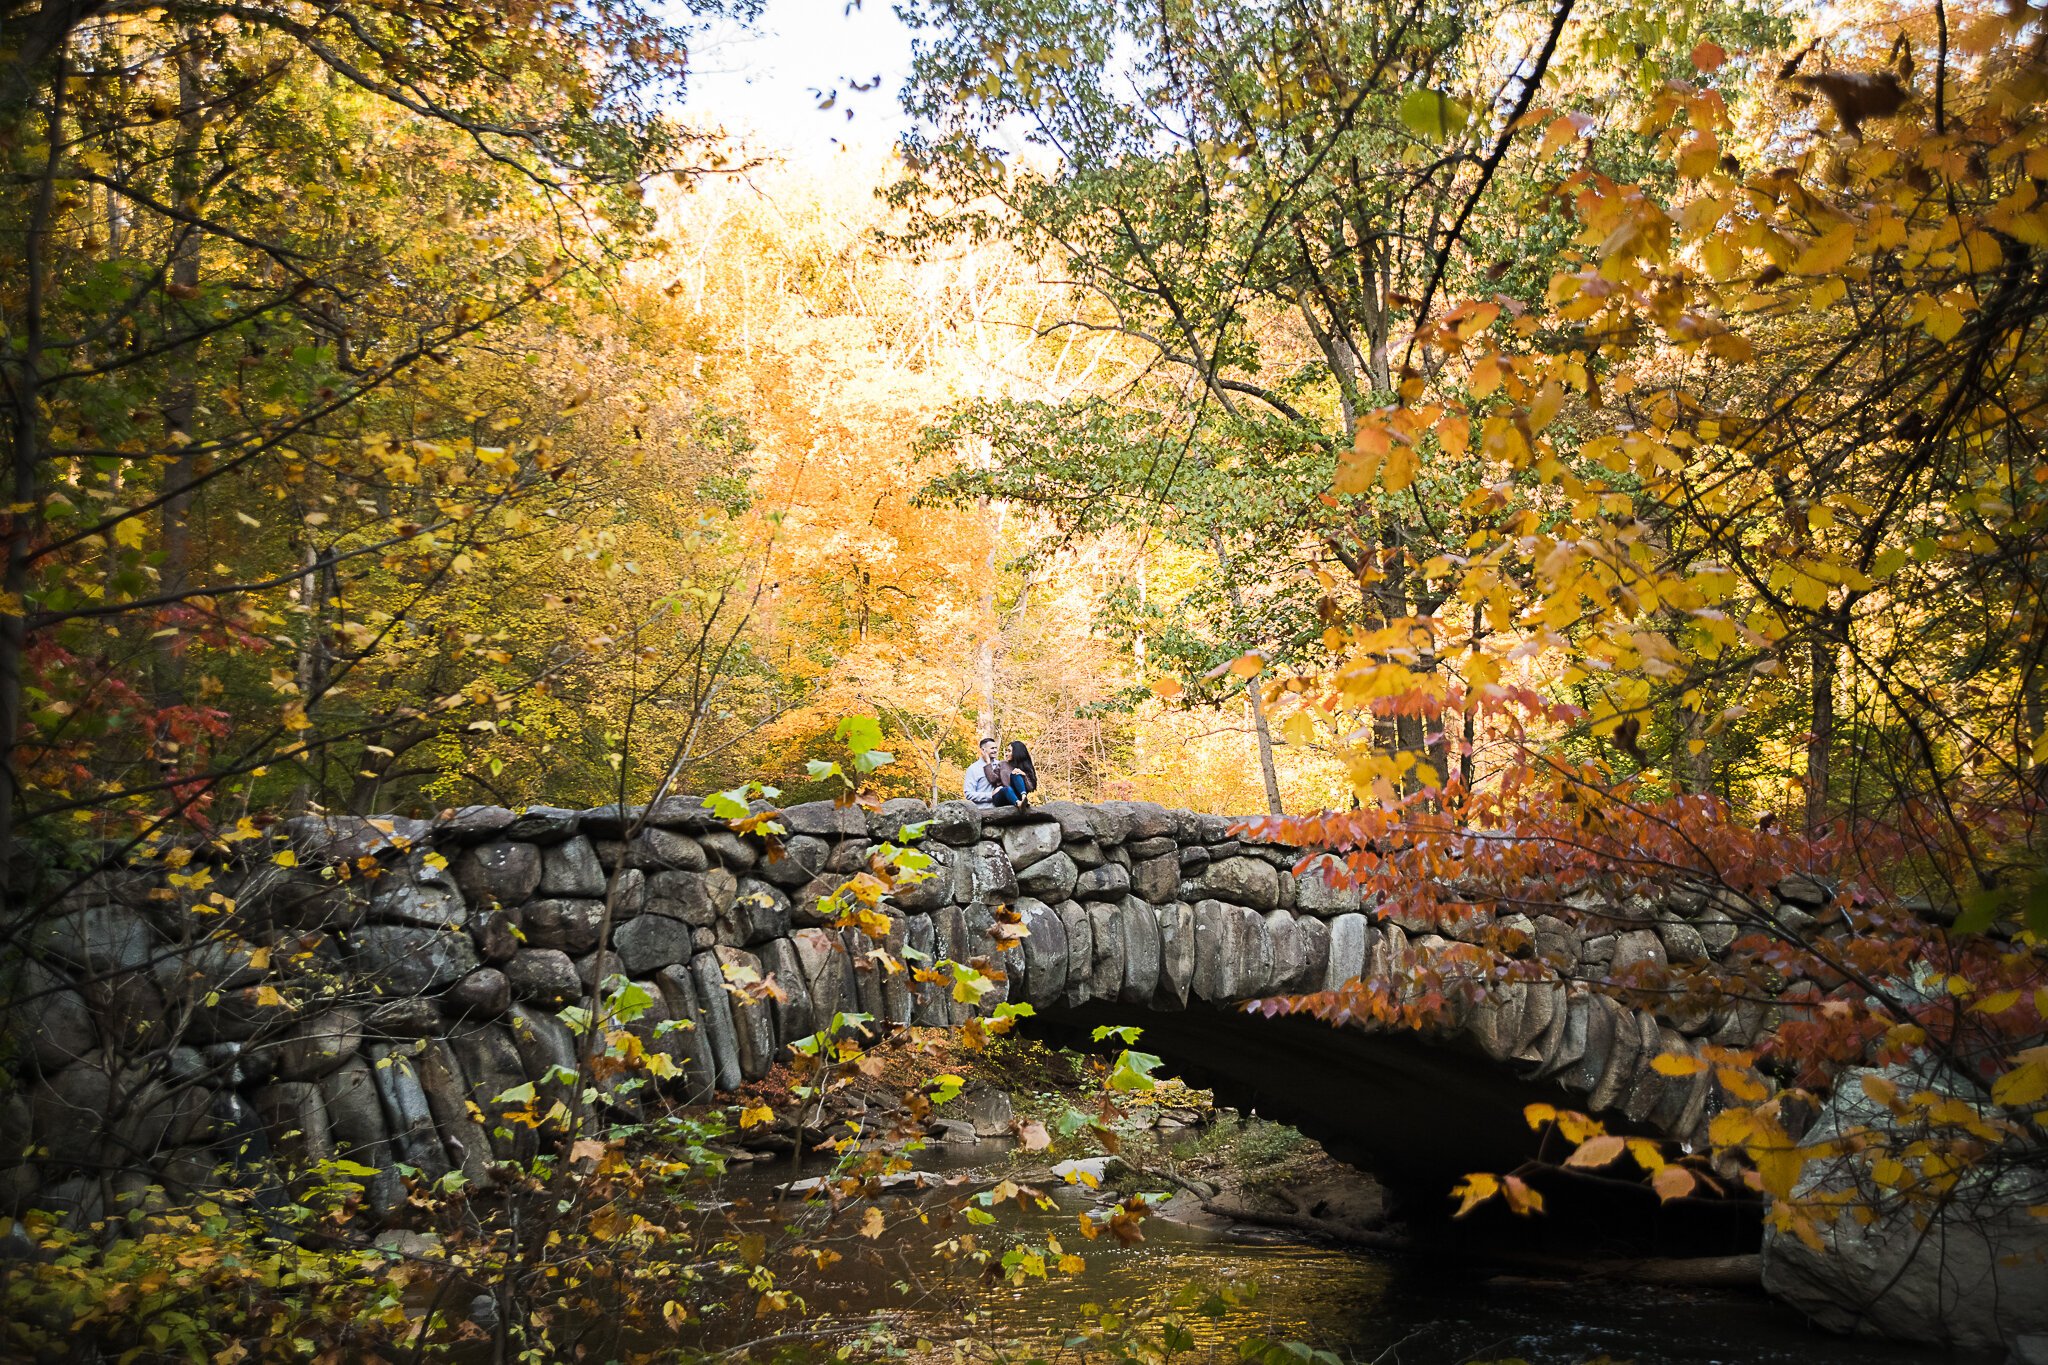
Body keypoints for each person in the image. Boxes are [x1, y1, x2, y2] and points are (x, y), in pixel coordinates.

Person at [963, 736, 1033, 808]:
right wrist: (991, 794)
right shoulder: (973, 769)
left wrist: (1023, 775)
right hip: (983, 809)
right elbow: (969, 794)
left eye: (996, 748)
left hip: (1004, 807)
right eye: (992, 748)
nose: (995, 750)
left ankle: (1022, 800)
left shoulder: (1002, 764)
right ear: (983, 750)